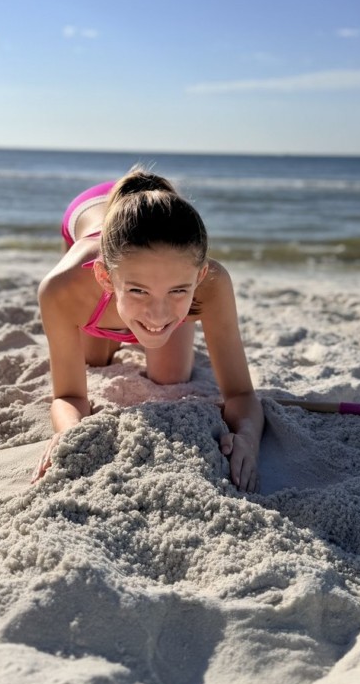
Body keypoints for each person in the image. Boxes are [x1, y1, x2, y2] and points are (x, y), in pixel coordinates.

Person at [32, 169, 263, 491]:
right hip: (87, 212)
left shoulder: (213, 283)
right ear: (104, 278)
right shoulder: (63, 287)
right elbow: (69, 395)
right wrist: (70, 433)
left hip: (151, 228)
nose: (158, 313)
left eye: (179, 291)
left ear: (199, 277)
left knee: (170, 377)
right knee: (94, 359)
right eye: (138, 291)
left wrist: (248, 441)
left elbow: (241, 394)